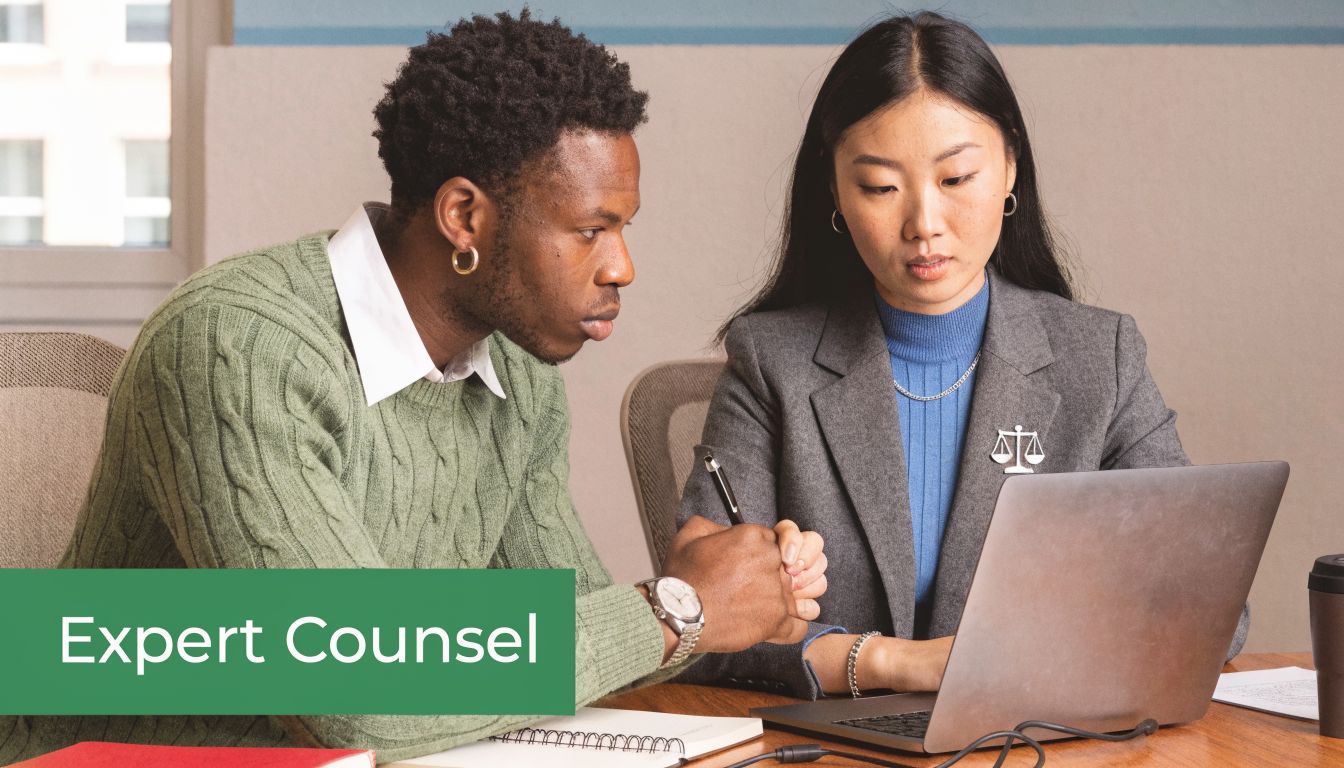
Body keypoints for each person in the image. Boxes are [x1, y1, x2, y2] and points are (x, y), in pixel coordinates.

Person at [0, 11, 826, 764]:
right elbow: (350, 688)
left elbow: (579, 647)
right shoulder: (236, 345)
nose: (621, 267)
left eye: (623, 227)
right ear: (464, 217)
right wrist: (674, 609)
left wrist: (710, 602)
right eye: (589, 230)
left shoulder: (518, 378)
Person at [675, 11, 1247, 701]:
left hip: (1040, 737)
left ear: (1009, 168)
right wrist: (886, 662)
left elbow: (1213, 611)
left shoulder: (1102, 358)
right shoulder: (773, 362)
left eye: (956, 179)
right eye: (880, 187)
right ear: (833, 190)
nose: (924, 224)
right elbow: (699, 628)